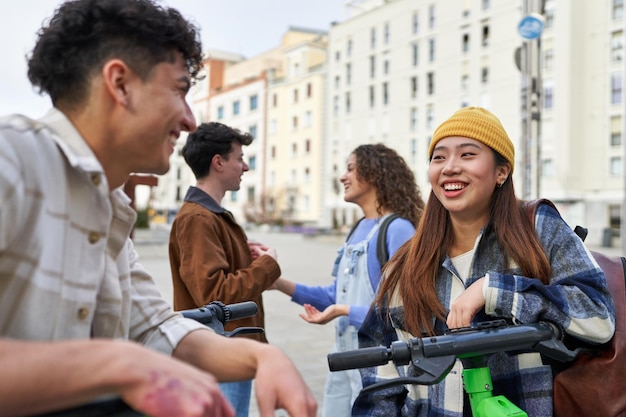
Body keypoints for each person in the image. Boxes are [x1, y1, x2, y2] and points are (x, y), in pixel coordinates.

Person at [0, 1, 317, 416]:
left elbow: (154, 326)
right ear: (120, 83)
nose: (189, 120)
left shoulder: (109, 206)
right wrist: (122, 364)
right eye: (180, 90)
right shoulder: (12, 160)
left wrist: (261, 358)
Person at [354, 107, 616, 417]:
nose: (449, 167)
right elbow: (381, 375)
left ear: (501, 172)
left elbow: (599, 318)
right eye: (439, 157)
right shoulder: (405, 264)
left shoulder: (537, 230)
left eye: (467, 155)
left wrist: (495, 291)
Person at [271, 143, 425, 417]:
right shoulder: (358, 228)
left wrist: (343, 311)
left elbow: (406, 312)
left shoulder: (399, 229)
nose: (343, 176)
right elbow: (335, 296)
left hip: (379, 367)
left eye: (351, 169)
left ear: (375, 173)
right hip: (345, 362)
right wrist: (277, 283)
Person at [169, 121, 281, 416]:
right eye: (239, 158)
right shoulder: (198, 219)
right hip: (217, 357)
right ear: (218, 162)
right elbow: (215, 296)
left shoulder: (210, 216)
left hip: (226, 352)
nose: (245, 167)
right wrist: (269, 265)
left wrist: (244, 255)